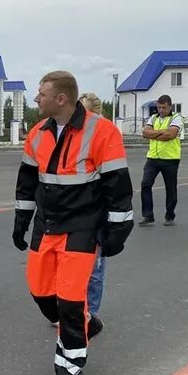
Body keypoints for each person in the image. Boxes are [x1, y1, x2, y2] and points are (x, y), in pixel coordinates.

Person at [14, 72, 133, 375]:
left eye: (42, 94)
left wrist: (117, 231)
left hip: (82, 228)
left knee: (68, 303)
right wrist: (21, 220)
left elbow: (117, 186)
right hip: (46, 226)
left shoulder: (101, 131)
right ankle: (88, 322)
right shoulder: (37, 134)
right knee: (41, 293)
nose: (37, 99)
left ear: (61, 99)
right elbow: (27, 181)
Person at [78, 93, 107, 337]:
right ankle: (73, 311)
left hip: (99, 208)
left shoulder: (106, 137)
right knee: (73, 263)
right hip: (77, 209)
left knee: (94, 267)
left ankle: (91, 314)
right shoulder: (73, 136)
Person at [139, 94, 183, 225]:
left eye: (164, 107)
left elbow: (171, 134)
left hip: (170, 158)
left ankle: (170, 215)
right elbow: (145, 132)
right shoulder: (153, 118)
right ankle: (148, 215)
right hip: (152, 157)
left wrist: (153, 134)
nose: (161, 110)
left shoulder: (176, 118)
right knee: (145, 184)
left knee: (171, 188)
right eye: (159, 107)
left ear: (170, 106)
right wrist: (161, 133)